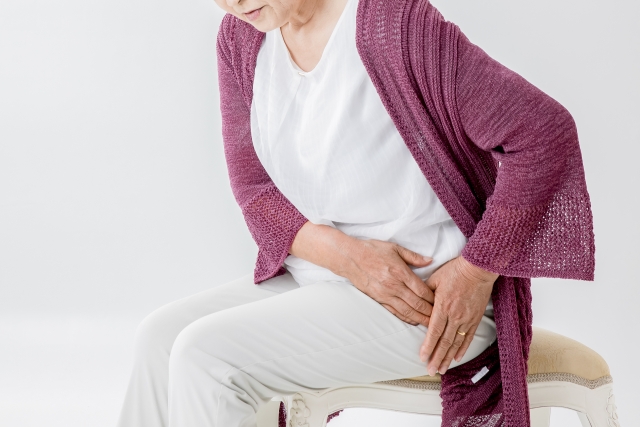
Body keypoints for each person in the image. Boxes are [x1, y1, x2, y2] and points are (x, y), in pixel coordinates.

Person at [116, 0, 595, 426]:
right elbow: (255, 190)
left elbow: (543, 133)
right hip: (324, 277)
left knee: (208, 356)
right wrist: (353, 260)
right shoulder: (241, 39)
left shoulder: (394, 24)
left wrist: (475, 274)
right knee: (159, 339)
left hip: (426, 301)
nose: (234, 2)